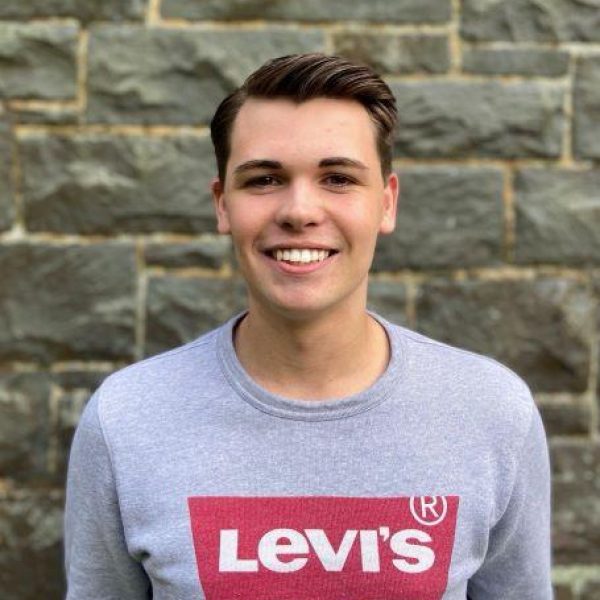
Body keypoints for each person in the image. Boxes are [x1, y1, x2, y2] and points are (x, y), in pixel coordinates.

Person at [64, 53, 552, 599]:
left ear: (385, 203)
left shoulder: (491, 412)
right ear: (223, 205)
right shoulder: (127, 418)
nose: (300, 210)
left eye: (338, 178)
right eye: (265, 179)